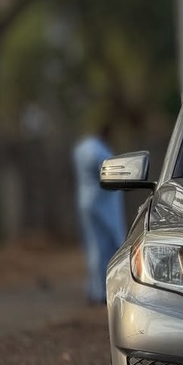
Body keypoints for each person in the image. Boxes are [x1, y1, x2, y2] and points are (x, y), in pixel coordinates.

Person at [72, 124, 126, 304]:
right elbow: (108, 171)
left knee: (93, 247)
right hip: (102, 202)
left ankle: (94, 289)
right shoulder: (98, 149)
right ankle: (101, 292)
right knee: (104, 248)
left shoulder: (81, 148)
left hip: (86, 201)